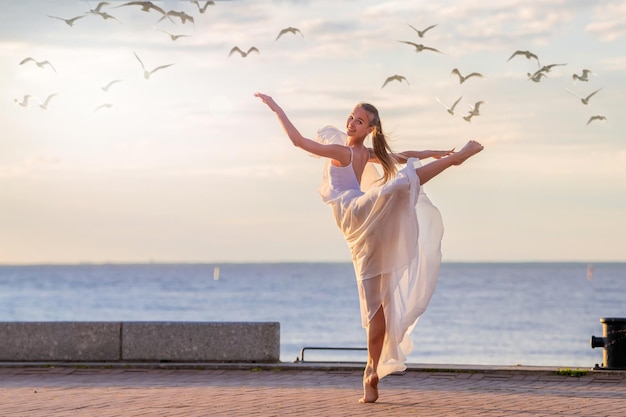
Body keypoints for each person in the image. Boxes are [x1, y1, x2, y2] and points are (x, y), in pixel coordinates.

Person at [255, 92, 484, 403]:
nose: (351, 122)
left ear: (369, 130)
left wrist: (276, 108)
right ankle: (371, 371)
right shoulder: (358, 152)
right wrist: (436, 154)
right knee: (397, 187)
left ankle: (371, 371)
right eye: (351, 117)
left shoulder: (348, 152)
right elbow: (403, 156)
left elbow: (299, 142)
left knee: (396, 192)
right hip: (362, 224)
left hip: (356, 219)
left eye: (358, 121)